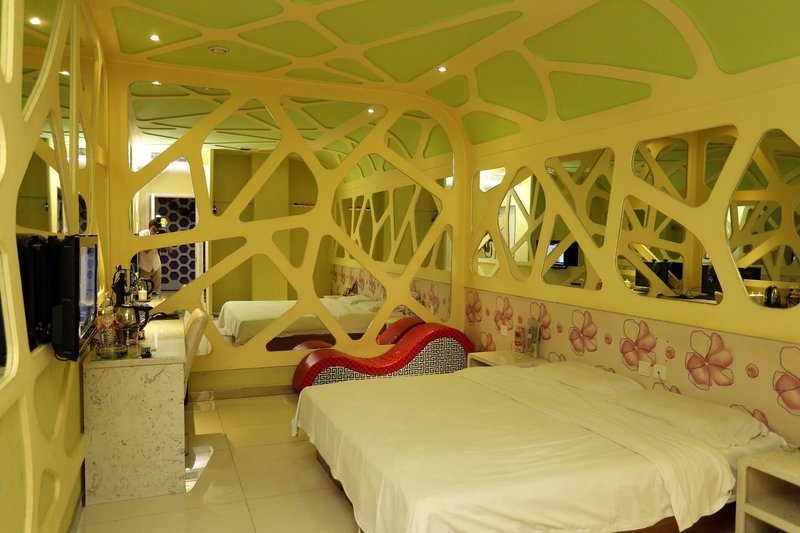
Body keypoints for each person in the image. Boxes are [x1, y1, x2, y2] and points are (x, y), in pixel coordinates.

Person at [137, 217, 172, 296]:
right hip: (144, 267)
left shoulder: (159, 235)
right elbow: (145, 250)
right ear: (149, 227)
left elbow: (170, 250)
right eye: (153, 229)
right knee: (144, 292)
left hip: (156, 266)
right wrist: (155, 238)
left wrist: (165, 237)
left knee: (157, 292)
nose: (155, 231)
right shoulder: (143, 234)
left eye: (157, 229)